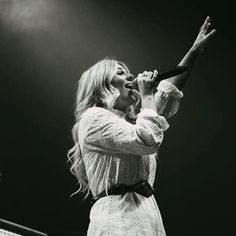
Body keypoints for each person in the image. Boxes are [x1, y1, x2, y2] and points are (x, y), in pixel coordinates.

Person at [67, 17, 216, 236]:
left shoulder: (132, 120)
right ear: (101, 85)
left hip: (146, 217)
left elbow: (167, 92)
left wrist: (194, 51)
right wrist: (146, 96)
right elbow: (147, 139)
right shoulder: (93, 118)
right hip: (117, 220)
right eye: (119, 72)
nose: (130, 75)